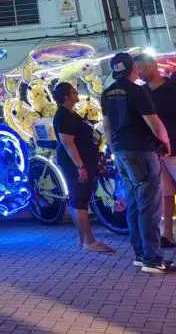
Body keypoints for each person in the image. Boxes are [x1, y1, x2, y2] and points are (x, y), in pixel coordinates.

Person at [99, 52, 176, 274]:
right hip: (142, 151)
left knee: (134, 204)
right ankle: (153, 260)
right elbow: (154, 123)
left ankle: (140, 254)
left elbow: (106, 125)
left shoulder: (106, 93)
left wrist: (114, 148)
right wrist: (166, 142)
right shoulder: (137, 92)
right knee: (150, 207)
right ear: (132, 68)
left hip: (122, 151)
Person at [136, 53, 176, 249]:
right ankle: (168, 235)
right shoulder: (142, 92)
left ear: (152, 66)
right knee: (165, 194)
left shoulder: (175, 90)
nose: (139, 73)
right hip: (155, 151)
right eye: (137, 69)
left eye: (142, 68)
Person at [51, 81, 112, 253]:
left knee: (78, 200)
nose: (77, 94)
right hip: (76, 163)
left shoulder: (70, 114)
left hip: (84, 161)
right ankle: (89, 241)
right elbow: (67, 143)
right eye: (73, 92)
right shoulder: (63, 116)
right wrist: (80, 166)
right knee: (79, 200)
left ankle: (83, 238)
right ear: (66, 96)